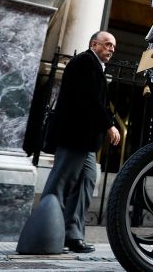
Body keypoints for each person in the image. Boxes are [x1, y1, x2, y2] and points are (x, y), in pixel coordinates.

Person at [41, 31, 121, 253]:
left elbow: (98, 102)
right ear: (94, 44)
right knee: (60, 183)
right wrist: (109, 125)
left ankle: (72, 236)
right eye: (107, 44)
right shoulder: (83, 62)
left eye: (113, 46)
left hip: (86, 142)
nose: (111, 49)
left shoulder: (95, 65)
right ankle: (44, 233)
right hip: (73, 137)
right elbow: (89, 99)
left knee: (87, 182)